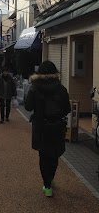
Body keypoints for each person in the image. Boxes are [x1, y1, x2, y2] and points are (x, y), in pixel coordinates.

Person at [25, 60, 71, 197]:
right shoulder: (61, 88)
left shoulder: (35, 87)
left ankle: (47, 185)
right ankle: (50, 178)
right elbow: (67, 108)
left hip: (41, 126)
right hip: (57, 126)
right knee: (54, 155)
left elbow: (28, 107)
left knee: (43, 155)